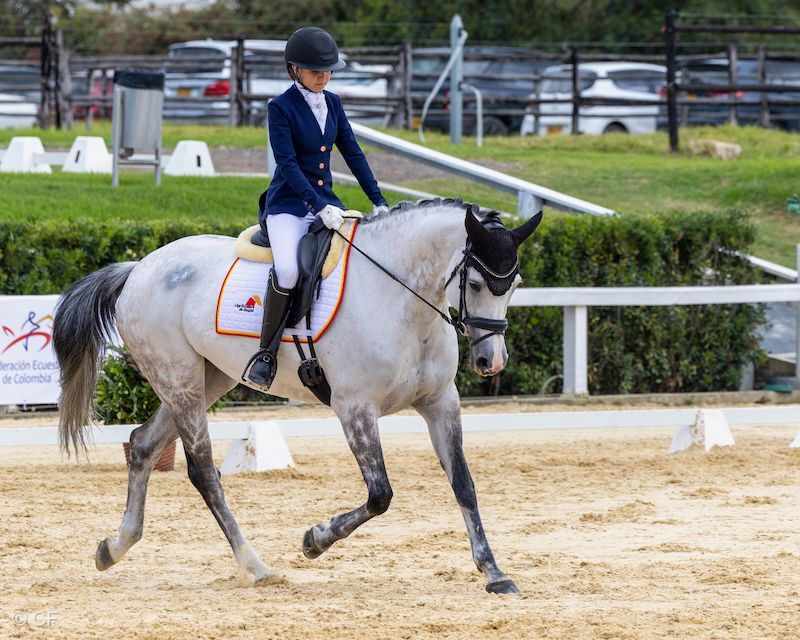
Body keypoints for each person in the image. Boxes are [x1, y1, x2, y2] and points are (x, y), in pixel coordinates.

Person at [246, 26, 389, 388]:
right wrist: (317, 204)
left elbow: (353, 153)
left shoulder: (334, 103)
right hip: (289, 207)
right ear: (294, 69)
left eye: (327, 70)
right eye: (315, 71)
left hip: (327, 204)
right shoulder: (280, 108)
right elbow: (288, 164)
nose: (323, 76)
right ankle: (266, 352)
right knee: (290, 272)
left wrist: (378, 200)